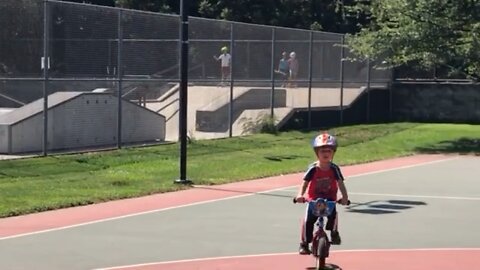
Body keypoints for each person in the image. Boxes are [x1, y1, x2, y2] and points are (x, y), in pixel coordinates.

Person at [295, 132, 349, 255]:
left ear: (333, 153)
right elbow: (305, 183)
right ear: (317, 153)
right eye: (322, 151)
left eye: (329, 151)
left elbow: (340, 183)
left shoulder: (334, 169)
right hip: (314, 199)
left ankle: (334, 233)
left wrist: (345, 197)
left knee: (333, 216)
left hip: (329, 198)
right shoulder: (313, 168)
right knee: (308, 221)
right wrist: (300, 195)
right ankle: (304, 244)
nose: (325, 154)